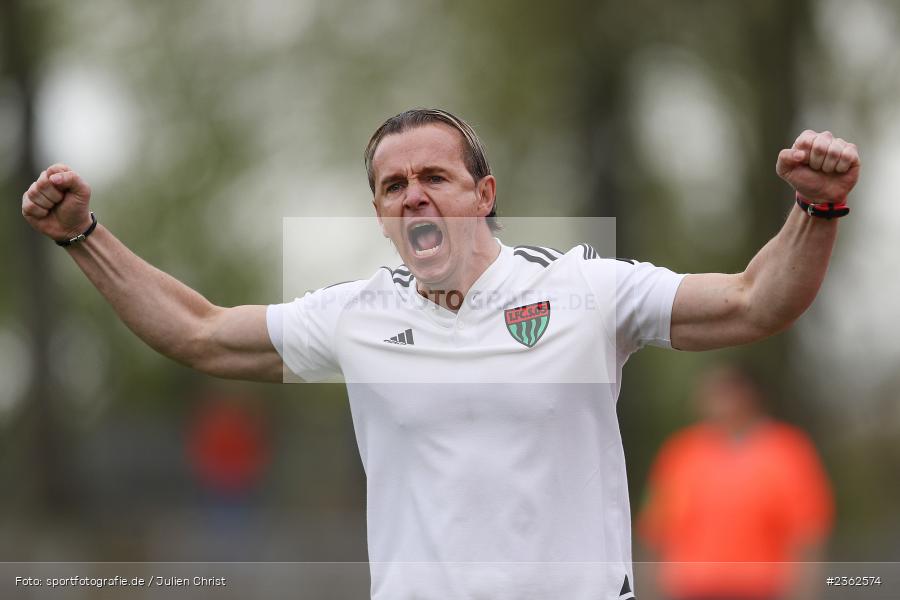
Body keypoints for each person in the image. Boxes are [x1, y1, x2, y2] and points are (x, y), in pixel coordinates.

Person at [20, 108, 860, 599]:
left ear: (483, 195)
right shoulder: (354, 315)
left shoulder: (589, 290)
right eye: (393, 185)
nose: (414, 193)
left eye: (435, 175)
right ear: (381, 212)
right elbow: (197, 331)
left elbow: (759, 301)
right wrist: (82, 237)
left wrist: (815, 211)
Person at [638, 365, 834, 600]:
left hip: (761, 589)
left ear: (748, 396)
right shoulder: (680, 452)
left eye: (723, 392)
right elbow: (655, 528)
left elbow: (808, 533)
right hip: (690, 589)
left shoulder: (788, 451)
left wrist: (804, 591)